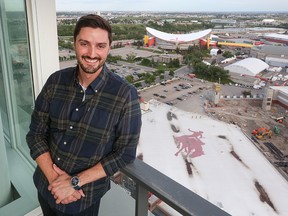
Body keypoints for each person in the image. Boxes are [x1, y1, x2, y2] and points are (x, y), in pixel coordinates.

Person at [26, 14, 142, 216]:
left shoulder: (124, 94)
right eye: (84, 44)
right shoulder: (56, 81)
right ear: (74, 44)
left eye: (100, 46)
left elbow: (125, 153)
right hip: (46, 188)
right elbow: (35, 134)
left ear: (109, 48)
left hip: (82, 199)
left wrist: (73, 182)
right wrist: (56, 182)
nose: (91, 53)